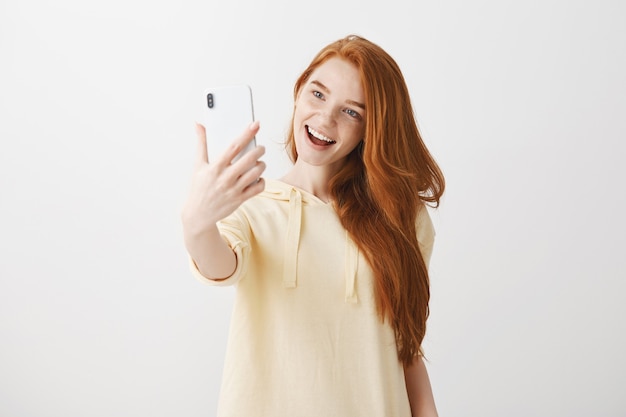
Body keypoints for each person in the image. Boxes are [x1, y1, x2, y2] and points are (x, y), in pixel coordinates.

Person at [181, 34, 445, 417]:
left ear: (371, 129)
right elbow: (219, 265)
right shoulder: (249, 202)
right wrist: (196, 222)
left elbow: (406, 349)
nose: (325, 119)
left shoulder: (402, 218)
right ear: (298, 92)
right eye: (317, 94)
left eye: (351, 112)